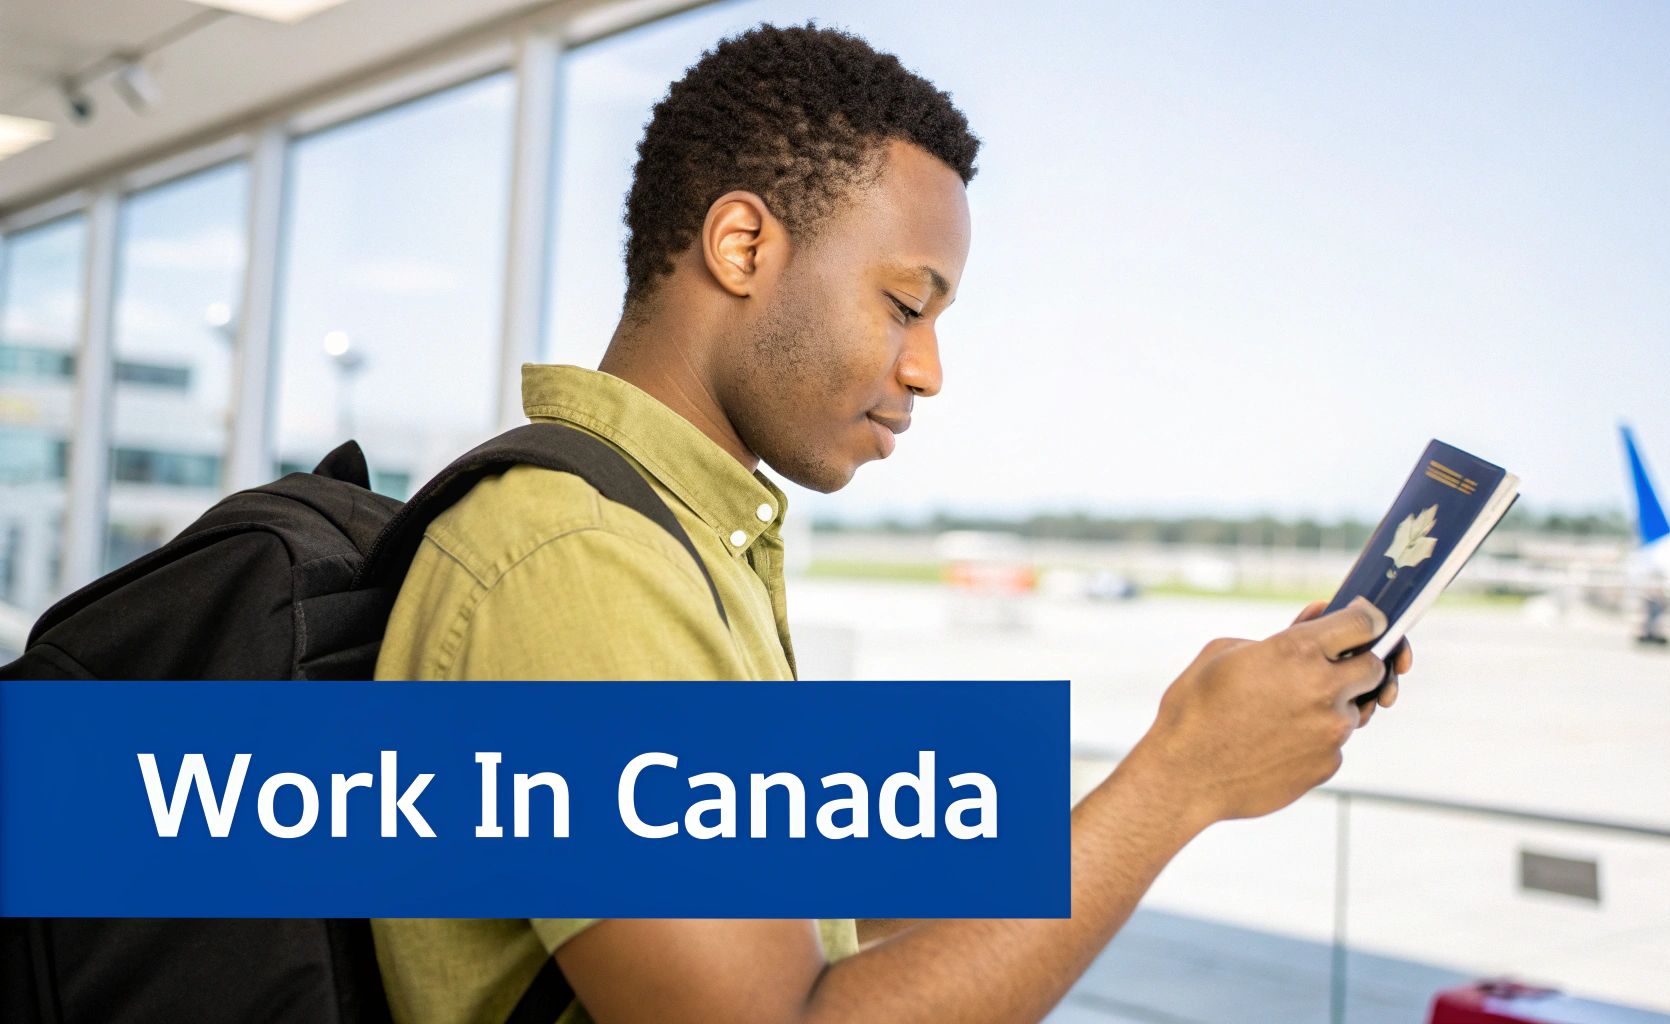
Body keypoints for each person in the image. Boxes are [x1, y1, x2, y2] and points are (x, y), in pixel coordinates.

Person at [372, 21, 1411, 1024]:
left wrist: (1195, 742)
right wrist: (1176, 782)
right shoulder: (584, 560)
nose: (927, 371)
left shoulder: (672, 537)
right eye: (906, 306)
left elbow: (793, 910)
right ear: (741, 246)